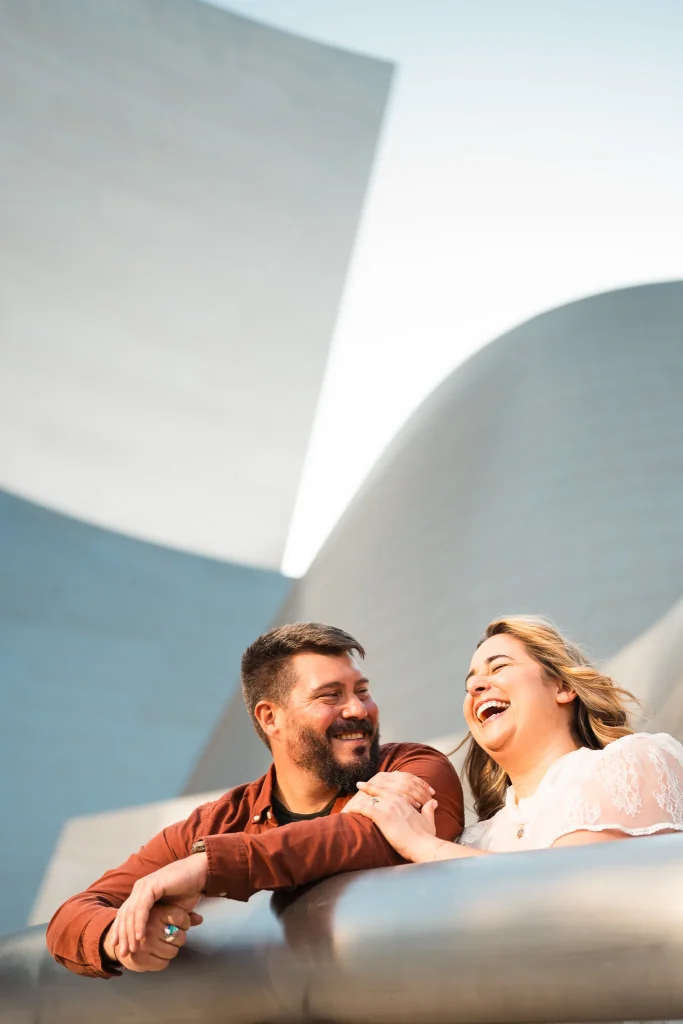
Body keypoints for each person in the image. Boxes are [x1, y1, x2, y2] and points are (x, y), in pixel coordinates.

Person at [47, 622, 463, 978]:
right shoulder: (215, 823)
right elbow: (72, 914)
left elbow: (379, 836)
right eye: (330, 695)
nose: (358, 709)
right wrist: (124, 936)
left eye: (363, 690)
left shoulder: (413, 766)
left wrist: (208, 866)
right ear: (270, 717)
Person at [344, 616, 683, 862]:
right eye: (470, 683)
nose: (475, 687)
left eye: (499, 667)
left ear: (563, 687)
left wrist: (423, 847)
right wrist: (362, 811)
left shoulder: (635, 760)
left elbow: (570, 895)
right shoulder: (475, 839)